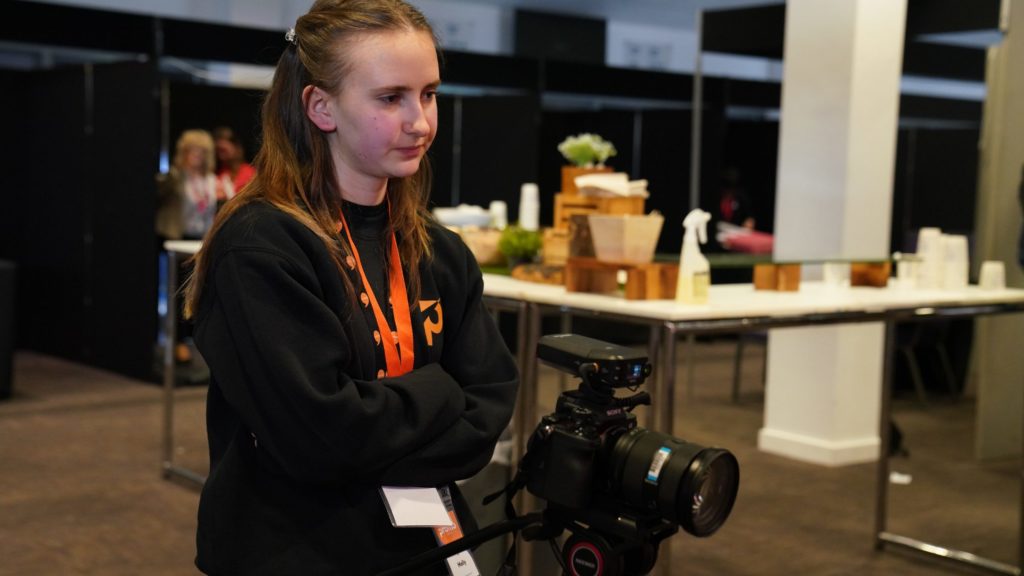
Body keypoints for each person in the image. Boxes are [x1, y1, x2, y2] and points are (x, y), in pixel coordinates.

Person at [182, 1, 519, 574]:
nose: (421, 121)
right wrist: (440, 392)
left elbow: (489, 408)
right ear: (321, 107)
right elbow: (319, 437)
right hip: (295, 550)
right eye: (391, 98)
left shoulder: (440, 251)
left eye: (429, 93)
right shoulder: (261, 247)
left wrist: (371, 431)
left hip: (422, 544)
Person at [156, 129, 220, 364]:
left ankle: (198, 340)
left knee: (201, 293)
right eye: (192, 151)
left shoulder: (212, 180)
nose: (197, 156)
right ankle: (177, 342)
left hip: (203, 241)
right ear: (183, 152)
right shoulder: (175, 178)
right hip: (177, 238)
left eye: (202, 152)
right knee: (177, 292)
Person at [212, 125, 256, 203]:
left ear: (236, 147)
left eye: (223, 150)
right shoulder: (219, 176)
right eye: (218, 151)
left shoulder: (251, 174)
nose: (221, 156)